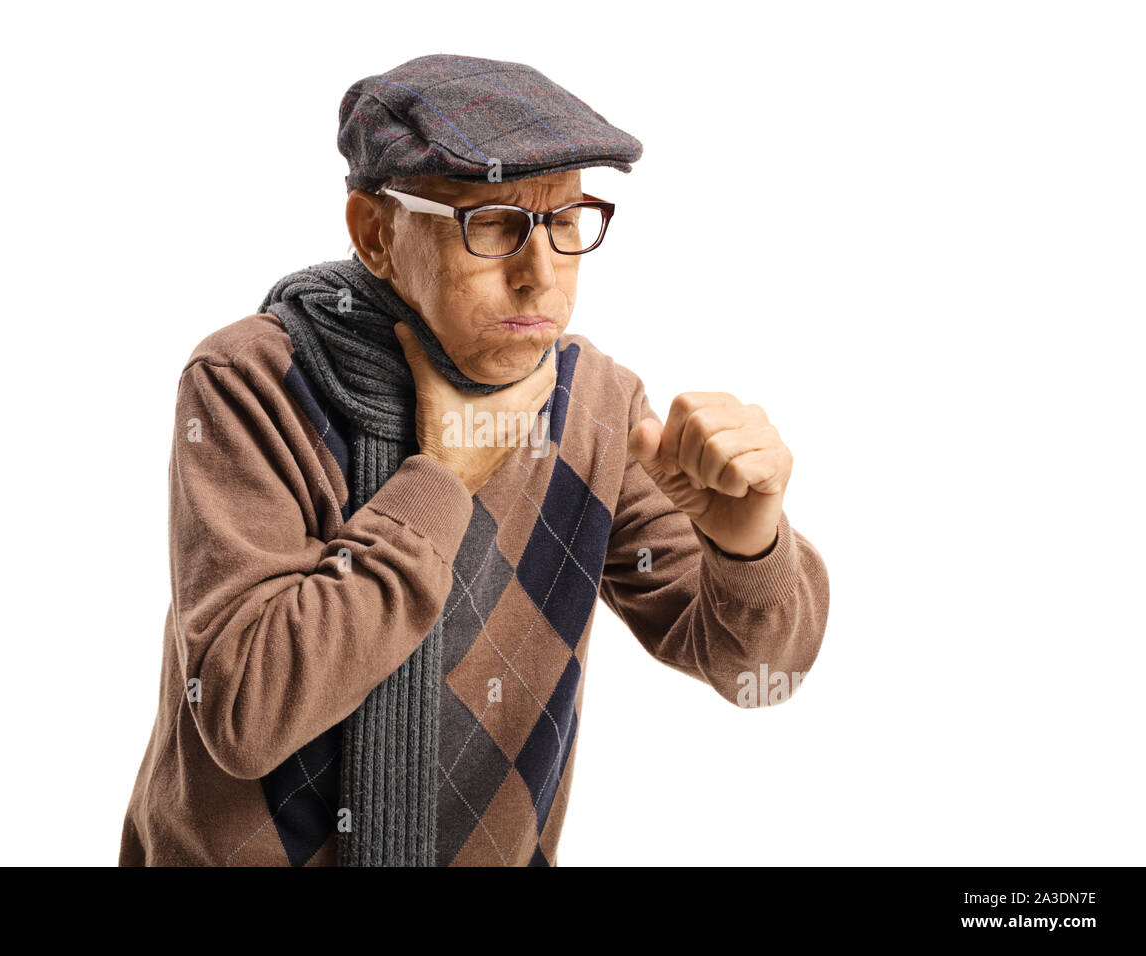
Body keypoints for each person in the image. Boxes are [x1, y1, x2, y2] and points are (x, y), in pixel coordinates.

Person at [118, 53, 830, 867]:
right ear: (375, 233)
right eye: (492, 223)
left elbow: (756, 676)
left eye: (567, 222)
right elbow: (248, 711)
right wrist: (439, 483)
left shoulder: (592, 404)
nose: (540, 276)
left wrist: (749, 543)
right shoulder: (250, 383)